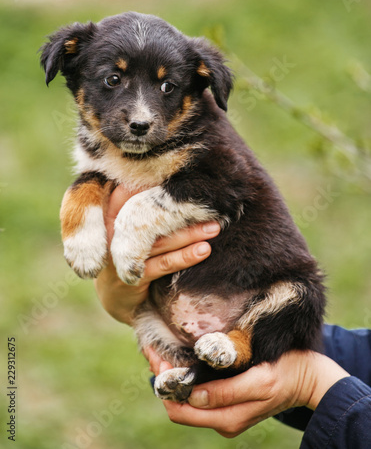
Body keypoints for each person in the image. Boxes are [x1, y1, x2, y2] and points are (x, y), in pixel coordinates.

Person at [94, 185, 371, 448]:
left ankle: (224, 355)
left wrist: (311, 382)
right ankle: (192, 370)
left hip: (246, 312)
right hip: (211, 306)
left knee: (303, 292)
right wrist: (141, 301)